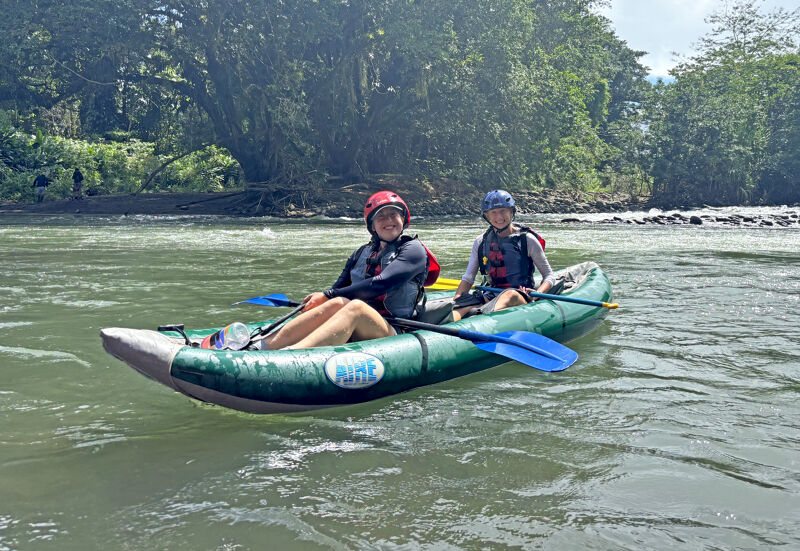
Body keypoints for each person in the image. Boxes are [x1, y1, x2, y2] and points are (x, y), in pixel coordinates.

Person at [252, 191, 436, 350]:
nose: (388, 221)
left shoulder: (413, 249)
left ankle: (294, 353)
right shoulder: (361, 253)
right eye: (381, 216)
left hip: (394, 331)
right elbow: (337, 290)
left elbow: (383, 282)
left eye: (393, 215)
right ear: (372, 225)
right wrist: (321, 300)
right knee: (336, 303)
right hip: (357, 325)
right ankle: (262, 346)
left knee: (354, 306)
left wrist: (328, 294)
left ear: (403, 219)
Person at [452, 189, 556, 320]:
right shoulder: (481, 242)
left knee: (509, 295)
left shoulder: (527, 240)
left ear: (511, 212)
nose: (499, 217)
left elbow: (549, 276)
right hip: (490, 295)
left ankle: (481, 318)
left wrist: (537, 294)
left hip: (519, 295)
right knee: (461, 306)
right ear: (487, 216)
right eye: (493, 213)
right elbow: (468, 278)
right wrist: (457, 301)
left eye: (503, 211)